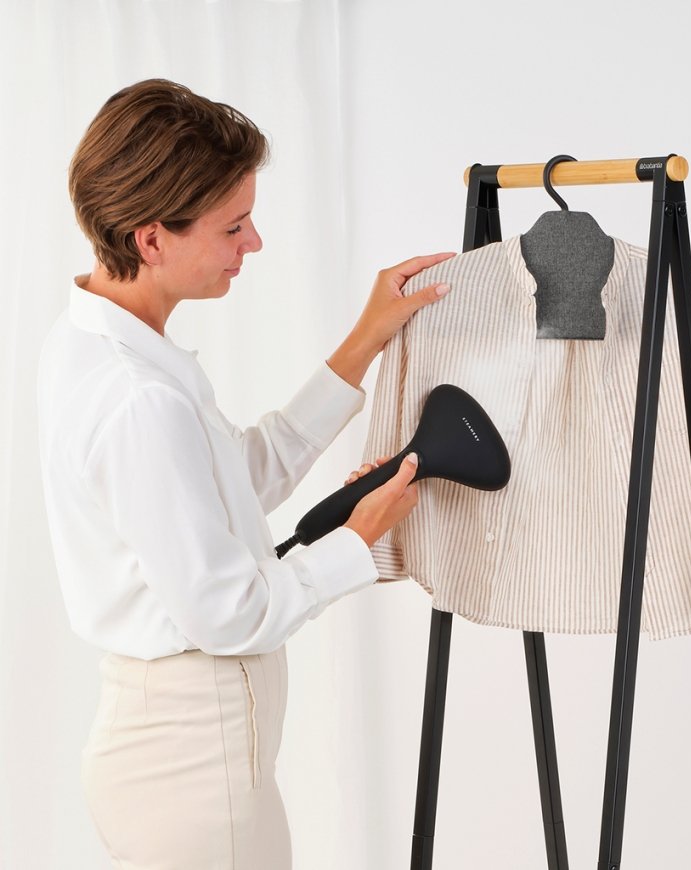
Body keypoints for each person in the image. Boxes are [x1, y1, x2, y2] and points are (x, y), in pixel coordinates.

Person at [36, 78, 454, 869]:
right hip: (194, 772)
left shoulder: (99, 343)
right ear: (152, 239)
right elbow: (228, 613)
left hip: (186, 762)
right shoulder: (138, 398)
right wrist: (354, 543)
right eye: (233, 226)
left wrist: (365, 338)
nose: (253, 243)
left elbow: (236, 481)